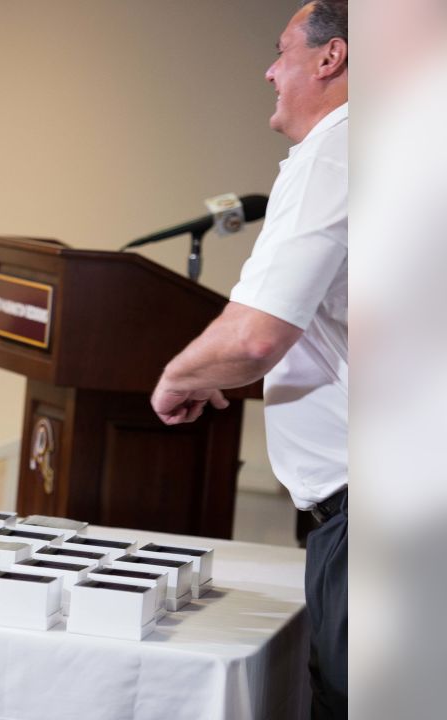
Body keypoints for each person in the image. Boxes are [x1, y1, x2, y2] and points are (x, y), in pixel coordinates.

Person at [149, 2, 347, 717]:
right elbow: (260, 317)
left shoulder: (339, 148)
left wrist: (177, 378)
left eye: (282, 50)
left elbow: (257, 337)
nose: (269, 70)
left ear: (331, 59)